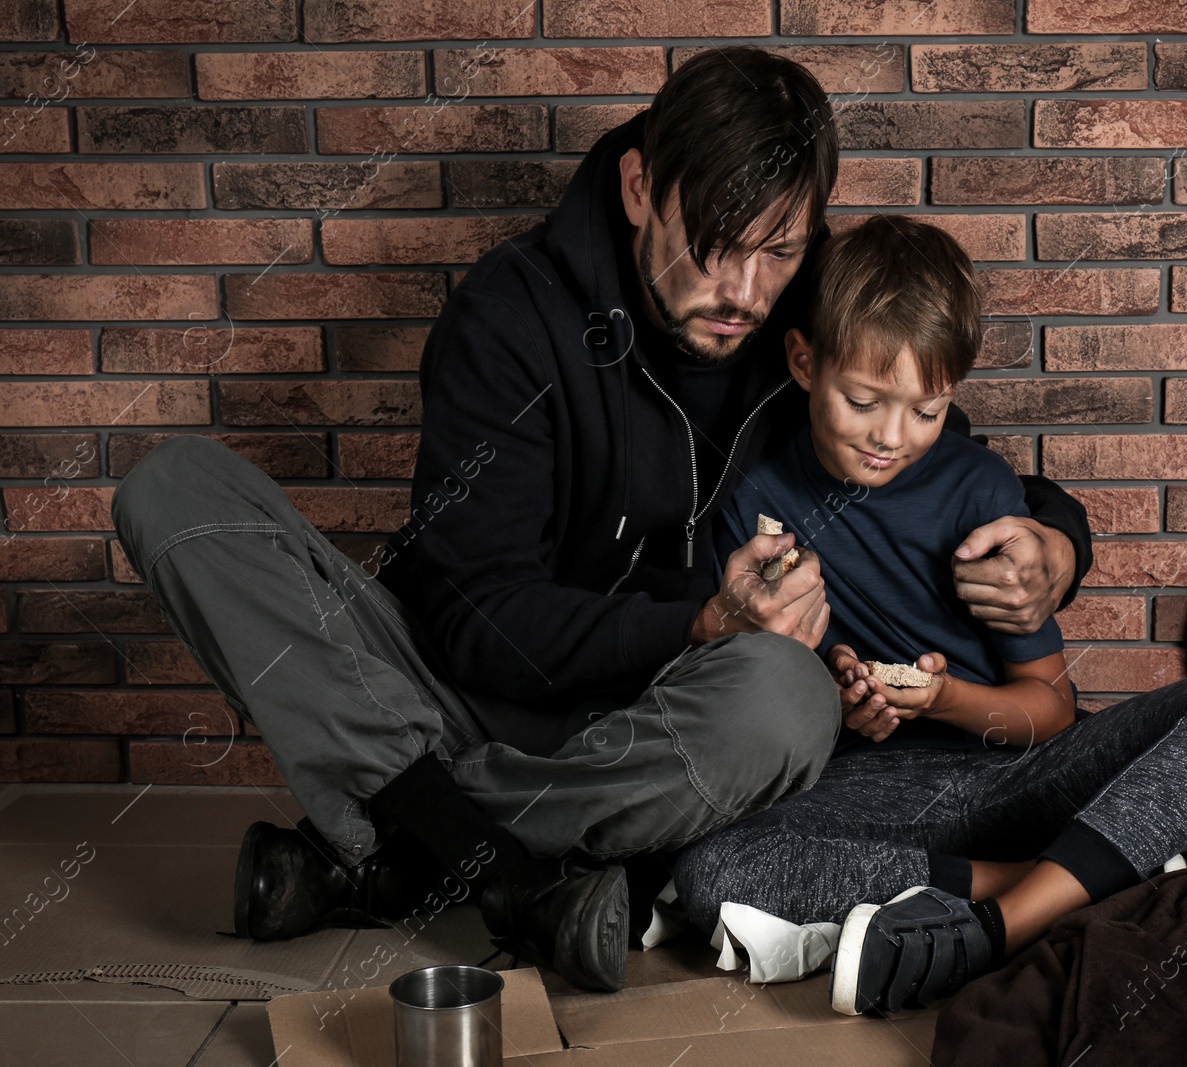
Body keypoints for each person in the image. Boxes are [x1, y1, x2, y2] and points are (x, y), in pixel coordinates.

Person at [108, 47, 1092, 995]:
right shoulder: (508, 316)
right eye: (713, 243)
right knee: (174, 490)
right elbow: (473, 618)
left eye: (779, 251)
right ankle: (508, 870)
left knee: (788, 696)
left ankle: (419, 841)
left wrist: (1054, 536)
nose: (744, 293)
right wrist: (697, 618)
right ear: (638, 189)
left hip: (670, 730)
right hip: (468, 695)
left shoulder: (810, 305)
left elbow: (930, 444)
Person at [668, 215, 1187, 1016]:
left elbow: (1049, 709)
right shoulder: (753, 502)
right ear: (804, 361)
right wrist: (833, 698)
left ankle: (996, 926)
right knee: (714, 871)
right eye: (862, 400)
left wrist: (943, 700)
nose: (890, 438)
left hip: (1017, 773)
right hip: (868, 797)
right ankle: (1076, 879)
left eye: (927, 410)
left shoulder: (980, 497)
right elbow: (749, 699)